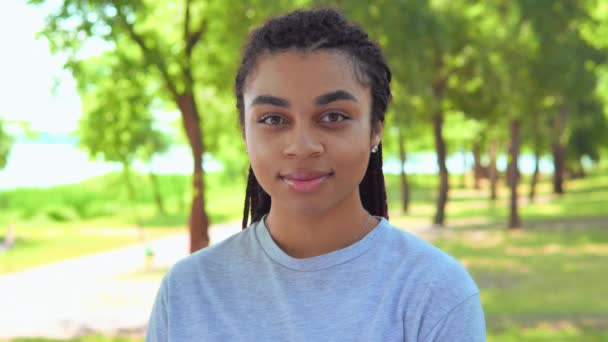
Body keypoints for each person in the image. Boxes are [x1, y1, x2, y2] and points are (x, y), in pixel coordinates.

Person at [147, 8, 485, 341]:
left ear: (374, 131)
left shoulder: (434, 291)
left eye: (334, 116)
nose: (302, 146)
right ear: (244, 130)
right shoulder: (187, 291)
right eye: (273, 119)